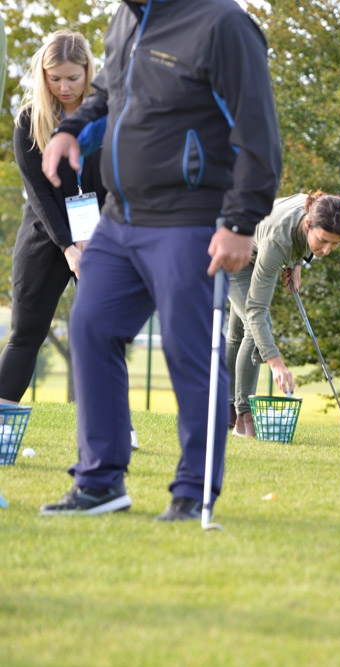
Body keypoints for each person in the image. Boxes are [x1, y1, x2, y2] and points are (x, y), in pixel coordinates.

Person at [37, 0, 282, 520]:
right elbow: (106, 90)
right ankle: (101, 482)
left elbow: (258, 130)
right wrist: (68, 128)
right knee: (91, 328)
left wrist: (240, 223)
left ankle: (193, 492)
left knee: (188, 350)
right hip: (120, 219)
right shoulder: (125, 18)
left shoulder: (222, 24)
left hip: (191, 217)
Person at [1, 32, 103, 404]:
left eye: (73, 78)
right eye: (54, 77)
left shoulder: (108, 115)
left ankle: (115, 428)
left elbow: (115, 181)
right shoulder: (28, 121)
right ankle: (1, 424)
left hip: (100, 235)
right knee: (25, 333)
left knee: (103, 335)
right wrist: (69, 247)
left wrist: (96, 240)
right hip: (46, 237)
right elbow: (39, 194)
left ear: (88, 72)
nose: (63, 86)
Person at [227, 191, 340, 439]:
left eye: (335, 244)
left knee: (238, 333)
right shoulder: (278, 242)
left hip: (257, 247)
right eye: (323, 240)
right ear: (308, 224)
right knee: (254, 326)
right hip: (233, 251)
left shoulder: (318, 208)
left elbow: (305, 242)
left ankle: (226, 411)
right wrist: (276, 364)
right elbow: (257, 309)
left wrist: (298, 263)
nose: (327, 250)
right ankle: (243, 418)